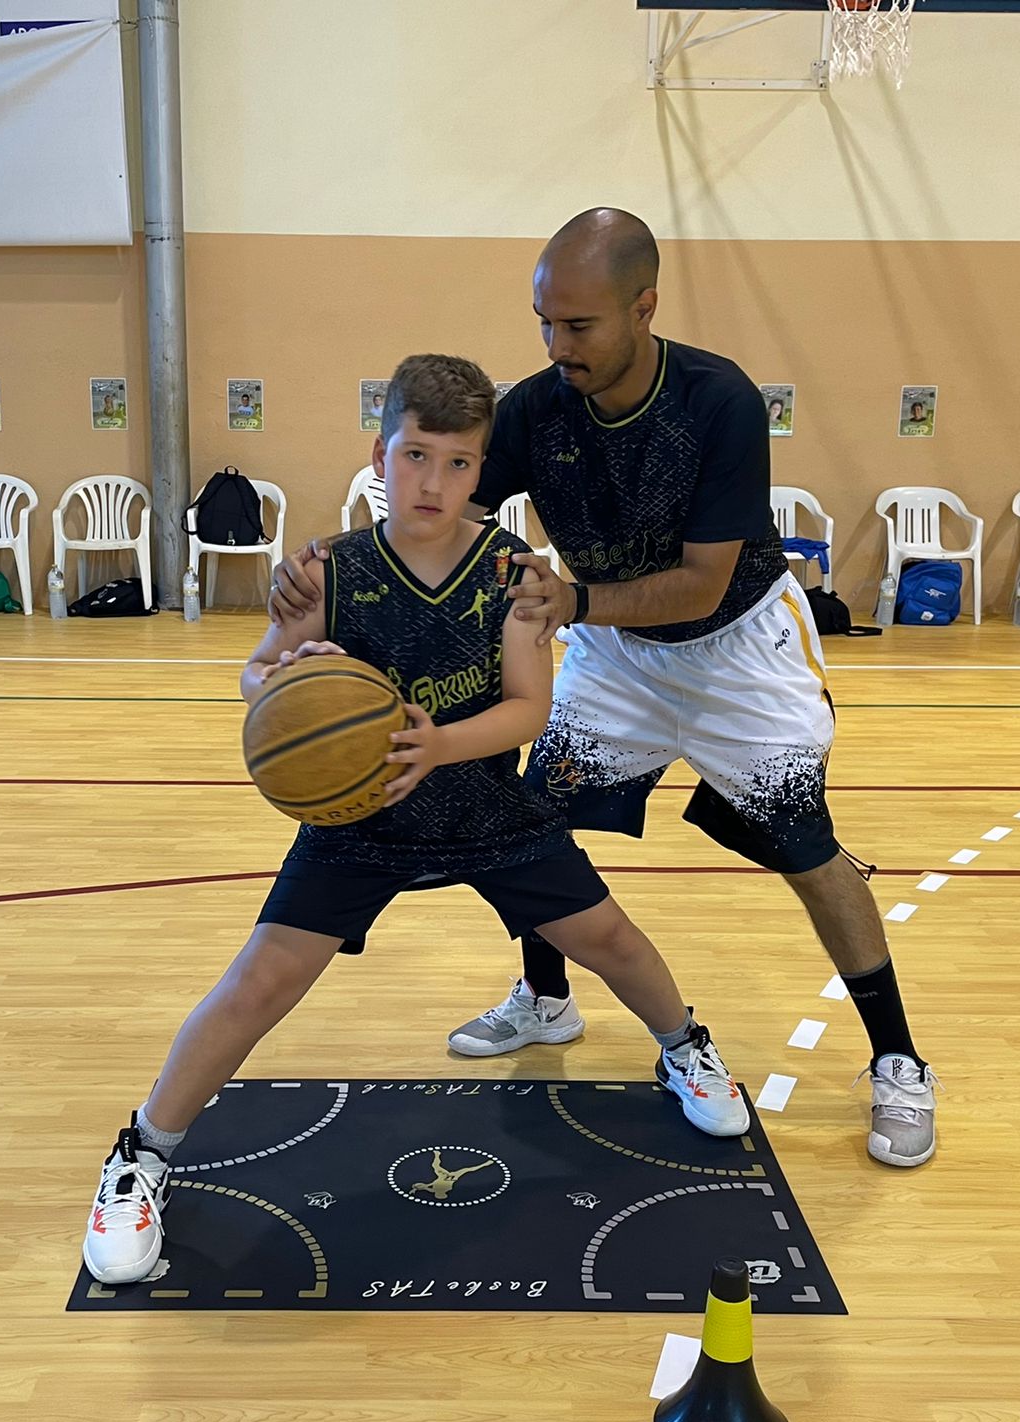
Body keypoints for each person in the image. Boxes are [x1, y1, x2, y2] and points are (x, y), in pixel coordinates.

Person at [274, 209, 939, 1168]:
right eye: (544, 322)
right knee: (528, 816)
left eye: (578, 326)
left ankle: (898, 1061)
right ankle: (545, 1000)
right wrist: (323, 568)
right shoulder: (539, 409)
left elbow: (704, 580)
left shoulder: (719, 402)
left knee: (806, 849)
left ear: (644, 307)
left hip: (738, 648)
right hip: (615, 651)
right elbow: (435, 497)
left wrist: (573, 597)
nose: (556, 346)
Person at [83, 353, 752, 1285]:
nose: (433, 482)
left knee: (613, 939)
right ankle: (142, 1155)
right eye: (415, 455)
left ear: (485, 469)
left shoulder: (514, 576)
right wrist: (269, 682)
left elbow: (528, 708)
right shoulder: (329, 570)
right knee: (259, 983)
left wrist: (440, 745)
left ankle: (686, 1049)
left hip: (485, 807)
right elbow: (259, 676)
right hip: (359, 822)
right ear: (380, 454)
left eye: (459, 463)